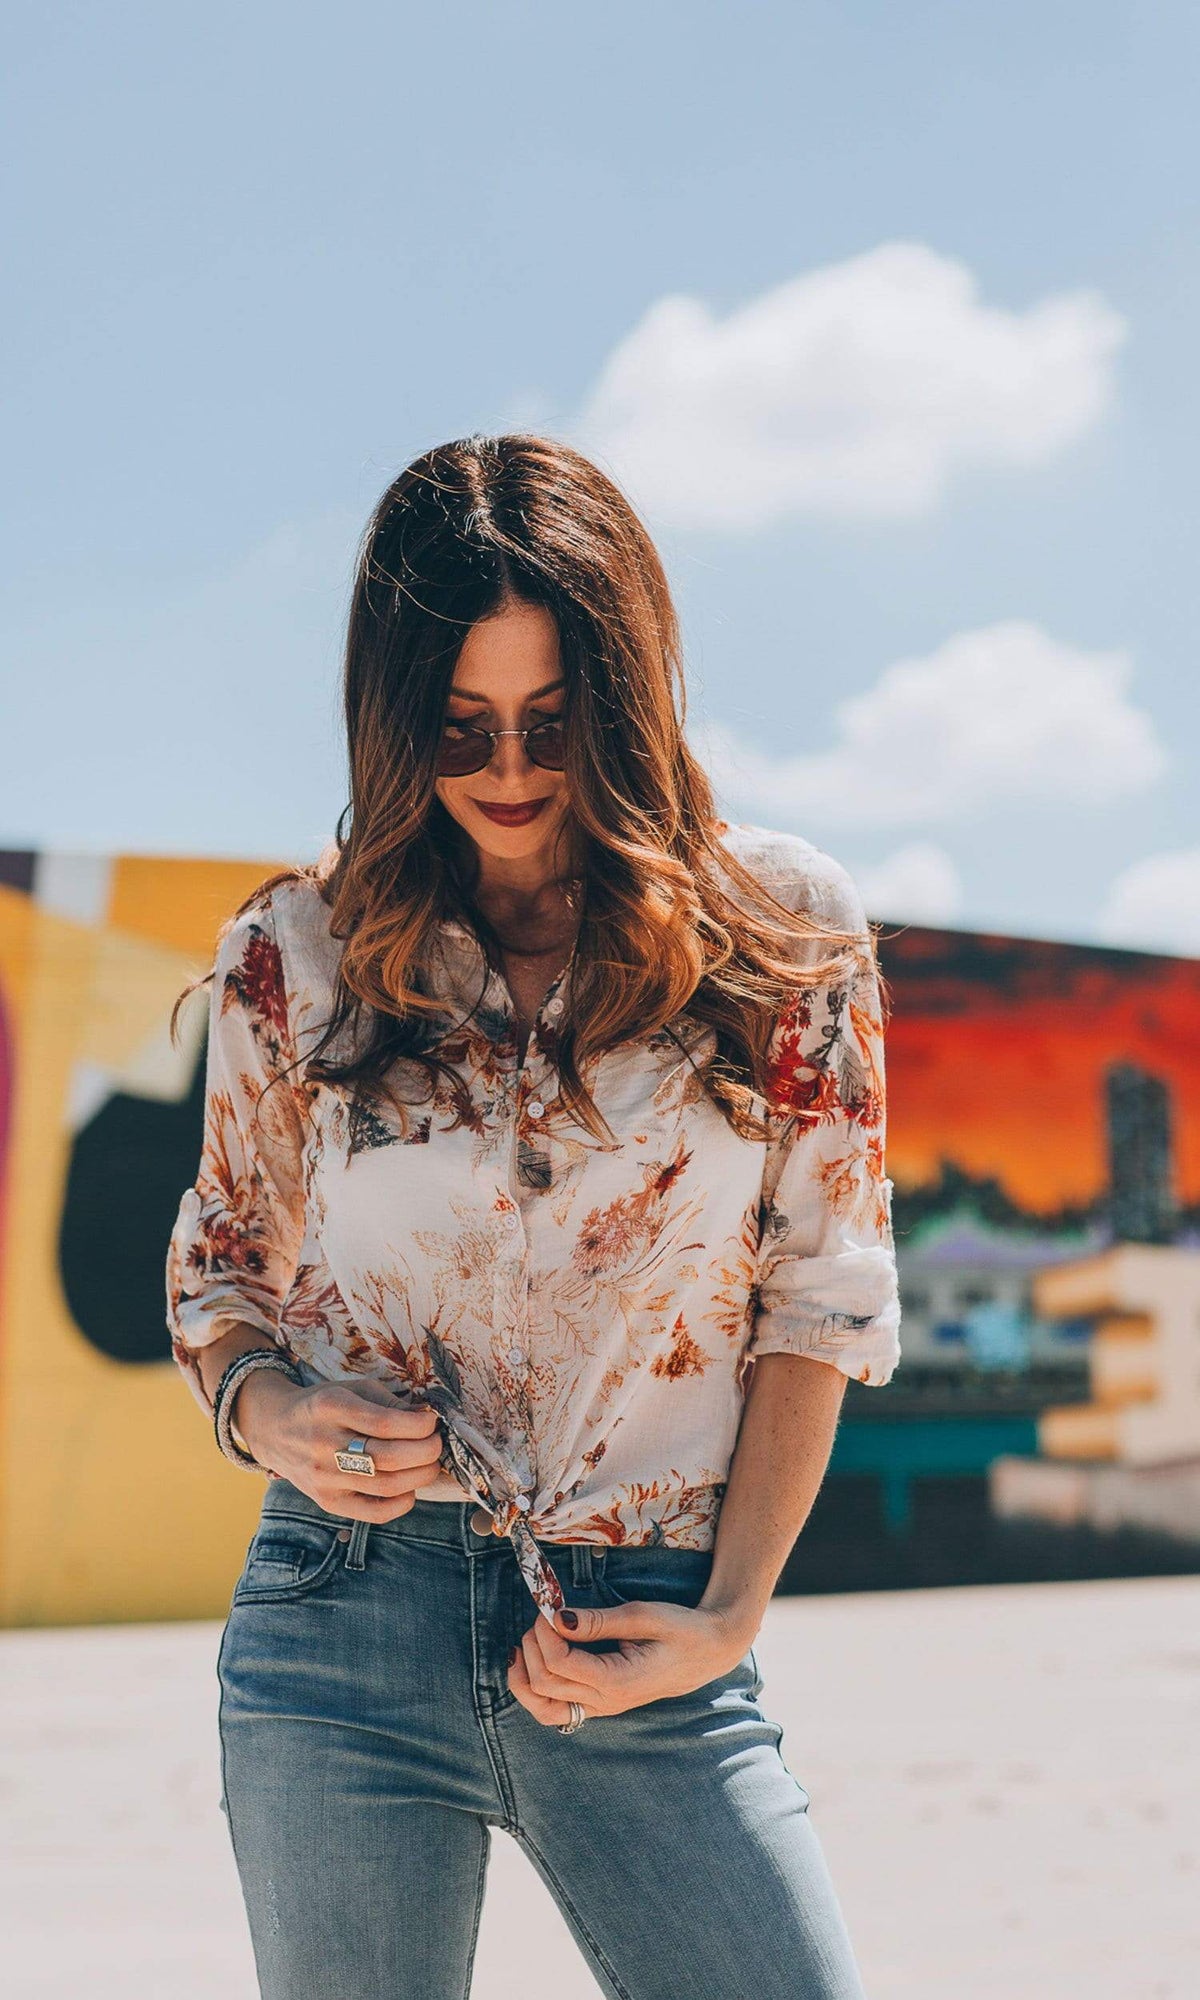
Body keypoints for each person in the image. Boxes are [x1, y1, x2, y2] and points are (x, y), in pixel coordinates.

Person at [166, 431, 902, 2000]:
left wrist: (729, 1615)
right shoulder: (293, 949)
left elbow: (820, 1300)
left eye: (555, 724)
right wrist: (273, 1409)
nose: (508, 773)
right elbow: (220, 1270)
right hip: (337, 1628)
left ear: (626, 704)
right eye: (461, 725)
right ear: (392, 717)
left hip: (646, 1624)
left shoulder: (781, 940)